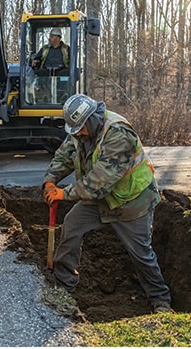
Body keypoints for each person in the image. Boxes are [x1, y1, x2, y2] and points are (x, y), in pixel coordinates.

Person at [42, 94, 172, 313]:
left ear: (92, 119)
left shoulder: (119, 134)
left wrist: (64, 194)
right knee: (72, 225)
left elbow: (99, 181)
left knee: (141, 253)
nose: (79, 134)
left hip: (132, 201)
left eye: (81, 129)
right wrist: (50, 180)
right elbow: (65, 154)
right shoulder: (80, 129)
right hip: (100, 199)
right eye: (75, 131)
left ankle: (160, 300)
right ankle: (64, 286)